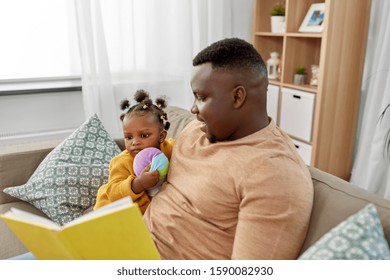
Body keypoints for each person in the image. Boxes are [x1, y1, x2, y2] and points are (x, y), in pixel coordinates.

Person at [143, 38, 314, 259]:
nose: (193, 108)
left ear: (237, 97)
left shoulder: (274, 174)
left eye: (202, 97)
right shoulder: (196, 130)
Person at [93, 89, 174, 213]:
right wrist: (139, 183)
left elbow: (184, 148)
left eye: (144, 135)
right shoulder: (122, 162)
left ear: (161, 136)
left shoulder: (169, 149)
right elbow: (114, 193)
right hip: (113, 210)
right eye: (129, 137)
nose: (134, 142)